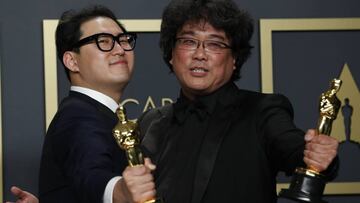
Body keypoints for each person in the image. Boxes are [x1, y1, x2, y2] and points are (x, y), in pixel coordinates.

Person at [137, 0, 339, 202]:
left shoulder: (262, 112)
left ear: (235, 59)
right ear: (171, 53)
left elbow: (296, 151)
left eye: (215, 44)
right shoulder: (150, 122)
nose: (199, 54)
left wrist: (318, 154)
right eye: (189, 41)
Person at [35, 5, 155, 203]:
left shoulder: (100, 114)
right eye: (103, 42)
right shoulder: (77, 117)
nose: (119, 50)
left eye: (123, 40)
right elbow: (90, 173)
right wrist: (121, 191)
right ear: (72, 61)